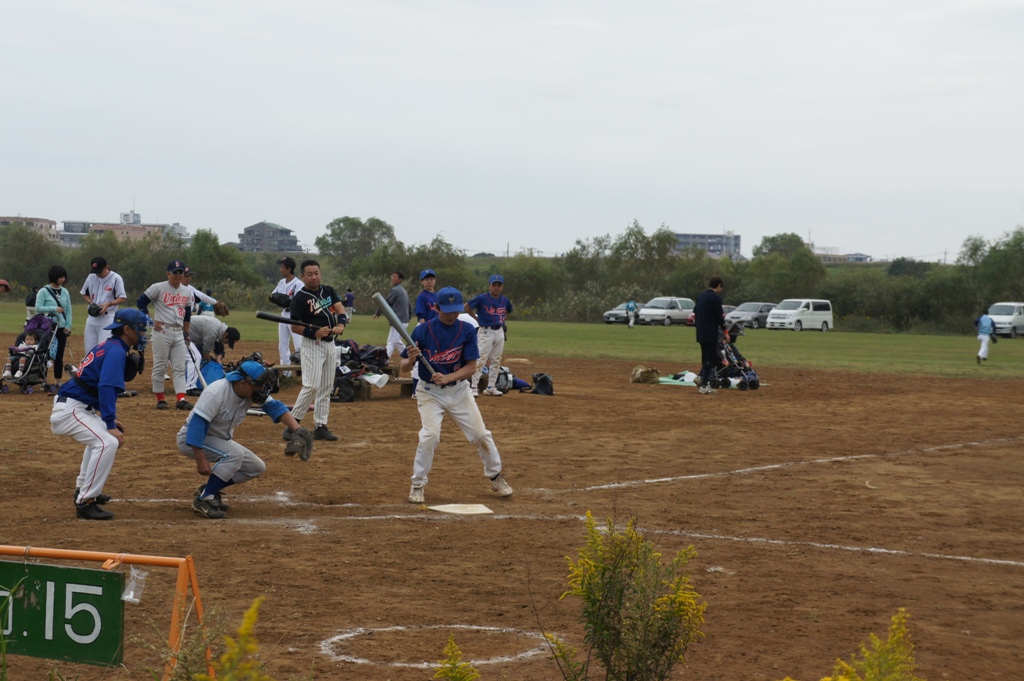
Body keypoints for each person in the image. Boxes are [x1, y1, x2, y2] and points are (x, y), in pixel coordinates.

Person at [401, 287, 513, 505]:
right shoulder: (421, 331)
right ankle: (417, 484)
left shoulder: (467, 330)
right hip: (429, 392)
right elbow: (404, 367)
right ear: (436, 308)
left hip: (459, 390)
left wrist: (449, 377)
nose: (451, 315)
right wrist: (412, 358)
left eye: (455, 310)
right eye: (446, 311)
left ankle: (496, 476)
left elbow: (472, 367)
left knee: (481, 435)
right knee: (429, 436)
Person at [50, 308, 150, 520]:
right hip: (71, 410)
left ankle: (83, 488)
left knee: (101, 439)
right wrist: (110, 423)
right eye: (140, 329)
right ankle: (85, 501)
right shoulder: (115, 351)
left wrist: (109, 420)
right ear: (126, 329)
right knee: (107, 442)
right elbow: (106, 387)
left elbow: (96, 386)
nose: (143, 334)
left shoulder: (111, 346)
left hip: (77, 406)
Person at [178, 360, 305, 519]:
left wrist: (297, 429)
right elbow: (197, 425)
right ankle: (204, 499)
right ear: (243, 383)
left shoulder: (250, 392)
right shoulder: (217, 392)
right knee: (234, 455)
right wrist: (200, 458)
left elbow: (275, 407)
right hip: (192, 439)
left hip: (217, 439)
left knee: (256, 467)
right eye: (259, 385)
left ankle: (210, 488)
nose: (262, 390)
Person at [286, 259, 348, 441]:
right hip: (313, 345)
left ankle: (321, 426)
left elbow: (340, 309)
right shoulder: (300, 298)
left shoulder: (327, 291)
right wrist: (315, 333)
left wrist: (341, 325)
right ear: (302, 276)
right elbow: (295, 327)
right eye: (310, 274)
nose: (314, 277)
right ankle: (292, 424)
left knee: (326, 387)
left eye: (317, 273)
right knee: (311, 386)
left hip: (330, 344)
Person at [137, 260, 194, 411]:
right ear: (167, 273)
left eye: (180, 272)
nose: (178, 275)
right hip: (162, 331)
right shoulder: (158, 287)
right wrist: (150, 320)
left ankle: (181, 398)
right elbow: (141, 302)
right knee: (160, 366)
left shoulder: (187, 291)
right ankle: (160, 399)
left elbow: (187, 314)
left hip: (178, 332)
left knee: (179, 367)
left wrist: (186, 333)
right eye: (174, 272)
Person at [465, 274, 514, 397]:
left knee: (496, 359)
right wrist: (476, 318)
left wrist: (502, 319)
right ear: (489, 286)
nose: (496, 288)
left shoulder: (504, 300)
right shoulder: (482, 298)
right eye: (494, 285)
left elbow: (509, 310)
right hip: (486, 331)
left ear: (502, 287)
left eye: (499, 285)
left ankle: (491, 387)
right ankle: (474, 387)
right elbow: (467, 306)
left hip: (499, 331)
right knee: (481, 358)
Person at [80, 256, 128, 356]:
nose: (97, 273)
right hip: (92, 318)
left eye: (99, 271)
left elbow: (122, 297)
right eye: (95, 271)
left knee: (102, 351)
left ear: (107, 267)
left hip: (108, 318)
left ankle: (102, 371)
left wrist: (109, 303)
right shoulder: (91, 276)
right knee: (89, 352)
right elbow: (84, 293)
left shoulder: (116, 278)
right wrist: (90, 302)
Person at [35, 265, 74, 385]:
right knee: (44, 353)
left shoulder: (65, 292)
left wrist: (68, 326)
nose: (62, 280)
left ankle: (58, 381)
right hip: (47, 327)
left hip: (61, 327)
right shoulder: (43, 291)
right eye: (60, 277)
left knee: (59, 355)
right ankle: (42, 380)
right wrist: (54, 309)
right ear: (53, 277)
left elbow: (68, 310)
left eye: (64, 277)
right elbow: (38, 308)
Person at [184, 315, 240, 393]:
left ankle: (186, 383)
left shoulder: (220, 329)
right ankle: (190, 387)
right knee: (196, 357)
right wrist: (212, 366)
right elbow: (206, 352)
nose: (226, 343)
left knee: (192, 358)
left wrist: (218, 360)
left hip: (185, 333)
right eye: (227, 341)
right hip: (181, 332)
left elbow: (218, 348)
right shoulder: (213, 332)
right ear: (226, 334)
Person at [694, 275, 729, 395]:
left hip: (700, 332)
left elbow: (696, 312)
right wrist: (726, 333)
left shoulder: (700, 296)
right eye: (721, 287)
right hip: (711, 332)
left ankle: (701, 378)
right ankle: (704, 385)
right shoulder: (716, 298)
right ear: (719, 285)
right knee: (711, 359)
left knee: (707, 357)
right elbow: (720, 317)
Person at [270, 257, 304, 370]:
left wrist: (289, 301)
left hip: (295, 316)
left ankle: (303, 370)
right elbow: (273, 295)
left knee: (299, 344)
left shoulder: (298, 284)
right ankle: (286, 372)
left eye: (282, 267)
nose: (280, 269)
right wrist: (278, 299)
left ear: (289, 269)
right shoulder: (281, 282)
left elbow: (300, 302)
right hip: (284, 314)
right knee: (283, 345)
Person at [373, 271, 411, 361]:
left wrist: (378, 312)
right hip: (403, 320)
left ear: (400, 280)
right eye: (392, 276)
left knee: (395, 341)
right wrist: (408, 318)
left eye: (395, 277)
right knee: (391, 341)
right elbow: (410, 306)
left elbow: (386, 303)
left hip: (399, 320)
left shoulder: (396, 290)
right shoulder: (402, 290)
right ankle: (385, 359)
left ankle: (411, 356)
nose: (392, 278)